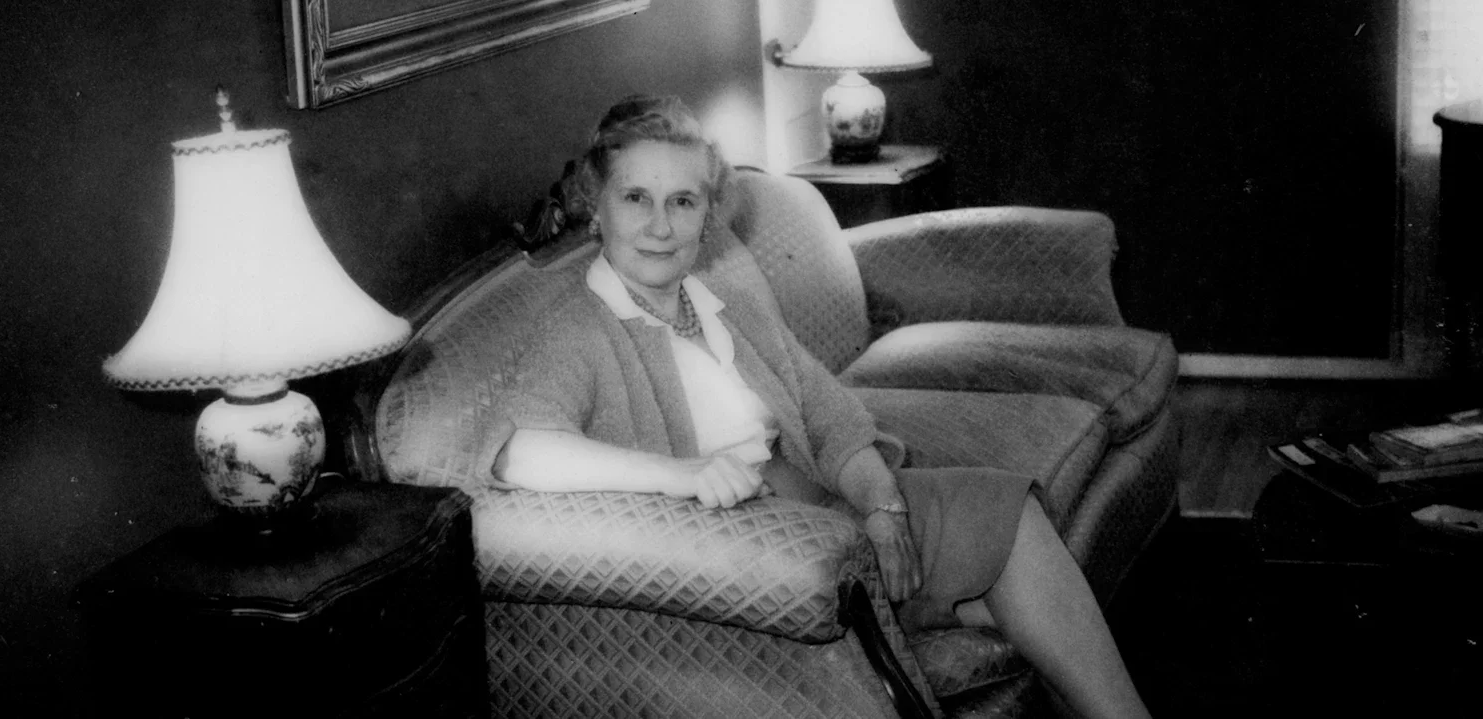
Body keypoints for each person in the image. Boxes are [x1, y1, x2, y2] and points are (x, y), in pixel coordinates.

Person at [477, 95, 1152, 719]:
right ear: (597, 208)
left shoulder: (722, 304)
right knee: (1021, 602)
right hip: (761, 561)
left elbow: (829, 416)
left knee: (1012, 519)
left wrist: (884, 507)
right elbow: (522, 450)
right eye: (635, 198)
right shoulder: (581, 327)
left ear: (708, 213)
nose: (660, 225)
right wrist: (679, 474)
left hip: (831, 511)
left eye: (683, 201)